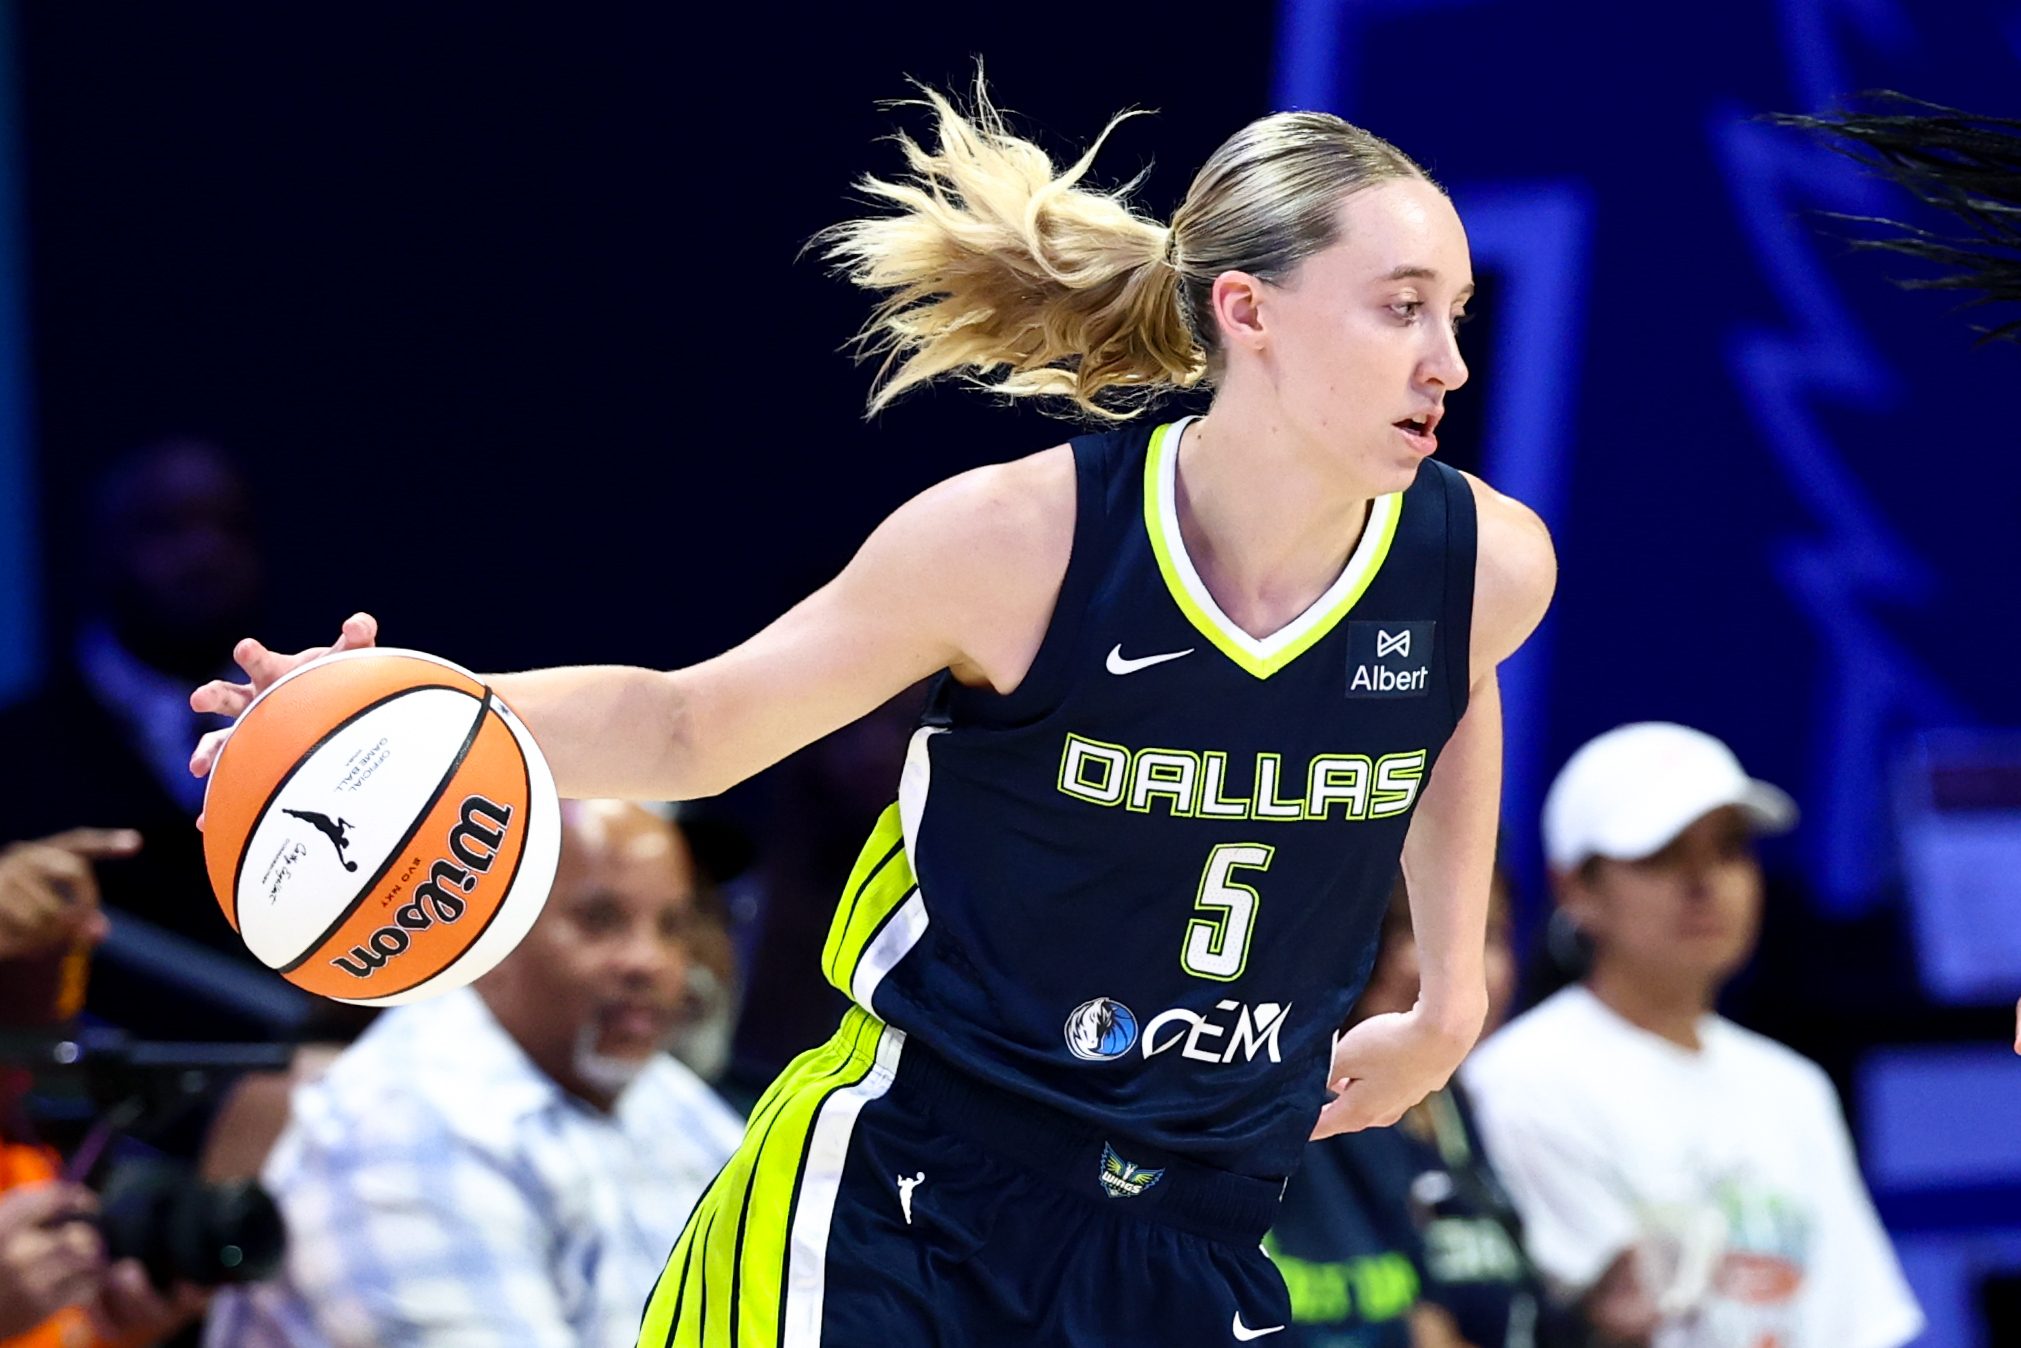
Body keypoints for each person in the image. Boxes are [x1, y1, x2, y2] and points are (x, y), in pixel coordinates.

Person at [190, 78, 1556, 1347]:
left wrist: (1450, 992)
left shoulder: (1481, 565)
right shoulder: (1022, 544)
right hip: (907, 1195)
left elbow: (1456, 691)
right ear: (1248, 314)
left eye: (1456, 314)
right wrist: (409, 708)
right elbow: (687, 727)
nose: (1448, 360)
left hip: (1191, 1226)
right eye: (1400, 307)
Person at [202, 800, 744, 1347]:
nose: (650, 960)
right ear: (491, 931)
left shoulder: (671, 1102)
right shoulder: (405, 1120)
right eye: (600, 921)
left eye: (673, 926)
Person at [1463, 723, 1922, 1348]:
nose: (1705, 882)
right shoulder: (1520, 1081)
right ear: (1574, 888)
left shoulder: (1792, 1087)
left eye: (1730, 849)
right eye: (1662, 853)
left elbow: (1859, 1326)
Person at [1270, 865, 1567, 1348]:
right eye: (1407, 929)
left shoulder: (1463, 1109)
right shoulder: (1301, 1123)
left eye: (1485, 937)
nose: (1443, 968)